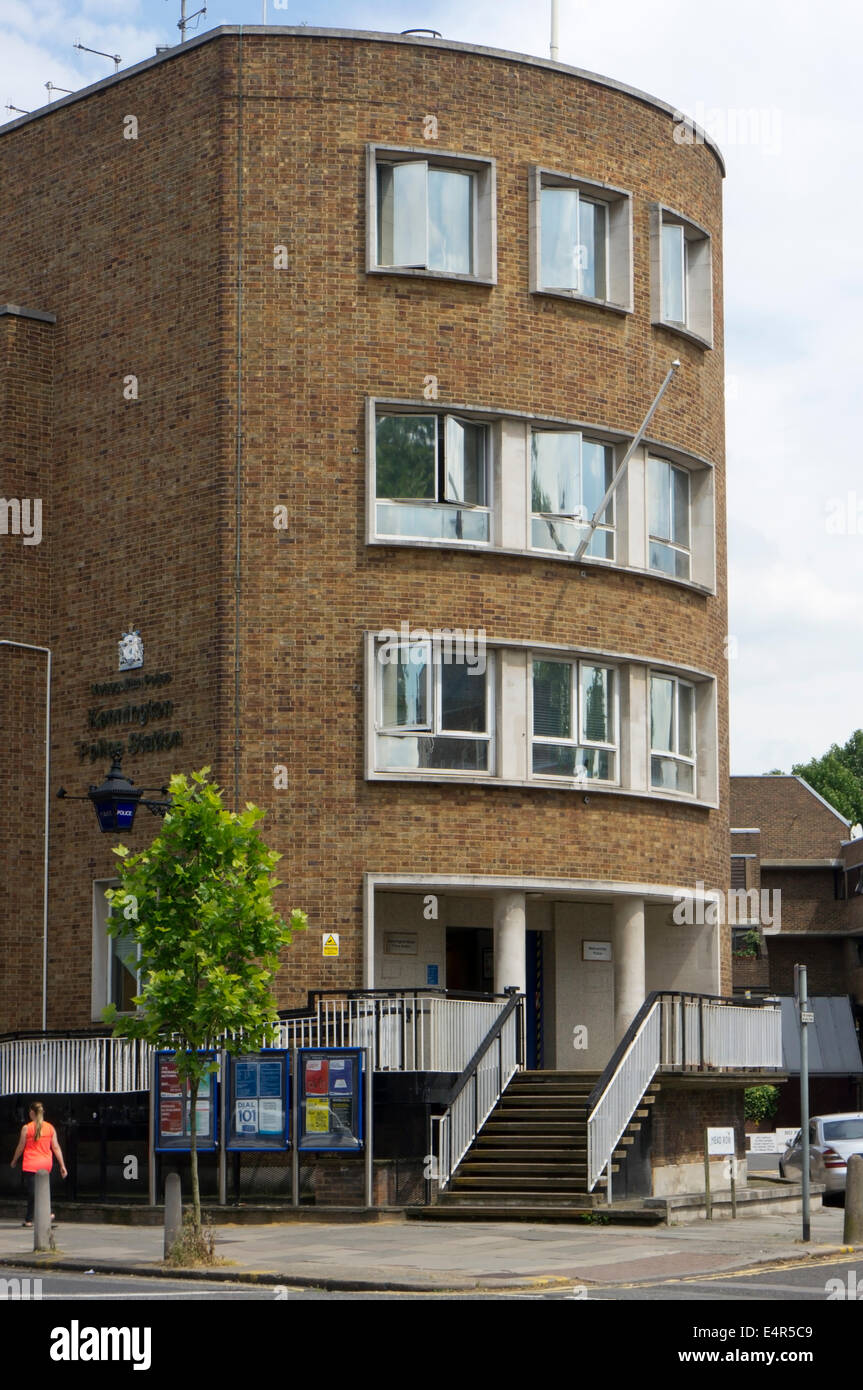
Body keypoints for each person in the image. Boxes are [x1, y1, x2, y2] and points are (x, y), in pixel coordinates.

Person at [10, 1101, 67, 1227]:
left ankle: (35, 1217)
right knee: (43, 1191)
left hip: (30, 1163)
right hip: (46, 1164)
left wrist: (14, 1160)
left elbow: (20, 1147)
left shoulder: (27, 1128)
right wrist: (62, 1165)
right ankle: (36, 1217)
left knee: (32, 1192)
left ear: (31, 1112)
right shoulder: (50, 1128)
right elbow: (56, 1147)